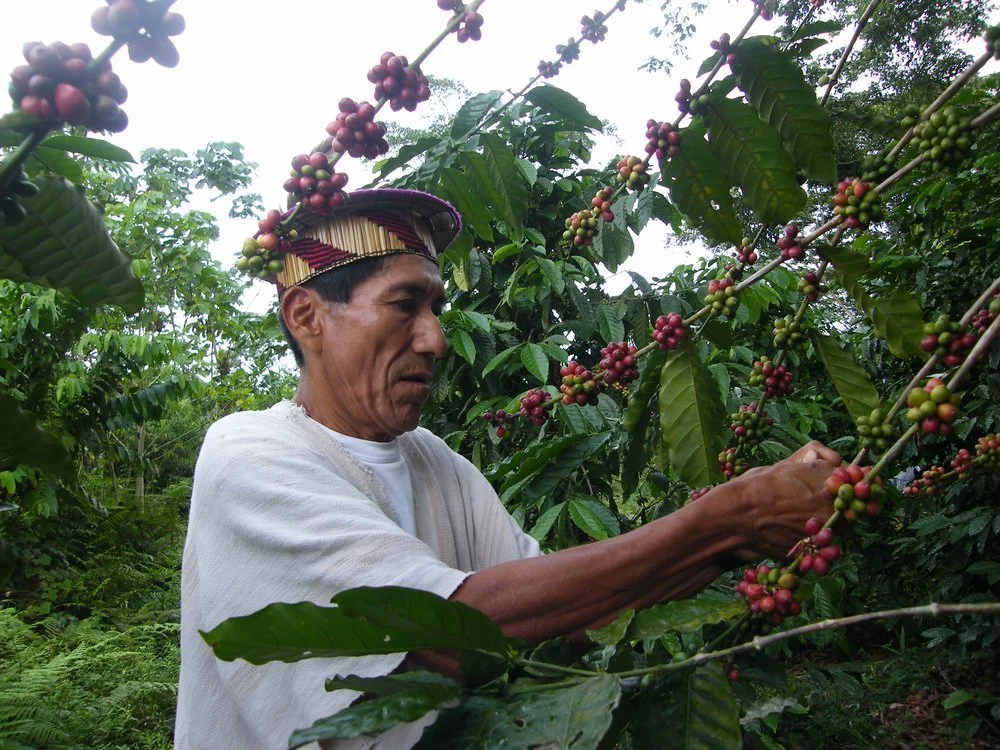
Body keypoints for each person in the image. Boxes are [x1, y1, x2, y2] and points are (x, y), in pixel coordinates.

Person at [174, 189, 840, 749]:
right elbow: (443, 635)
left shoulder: (436, 461)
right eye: (405, 305)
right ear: (306, 316)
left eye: (437, 310)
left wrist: (737, 538)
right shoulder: (249, 453)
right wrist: (725, 519)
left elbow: (561, 623)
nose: (435, 339)